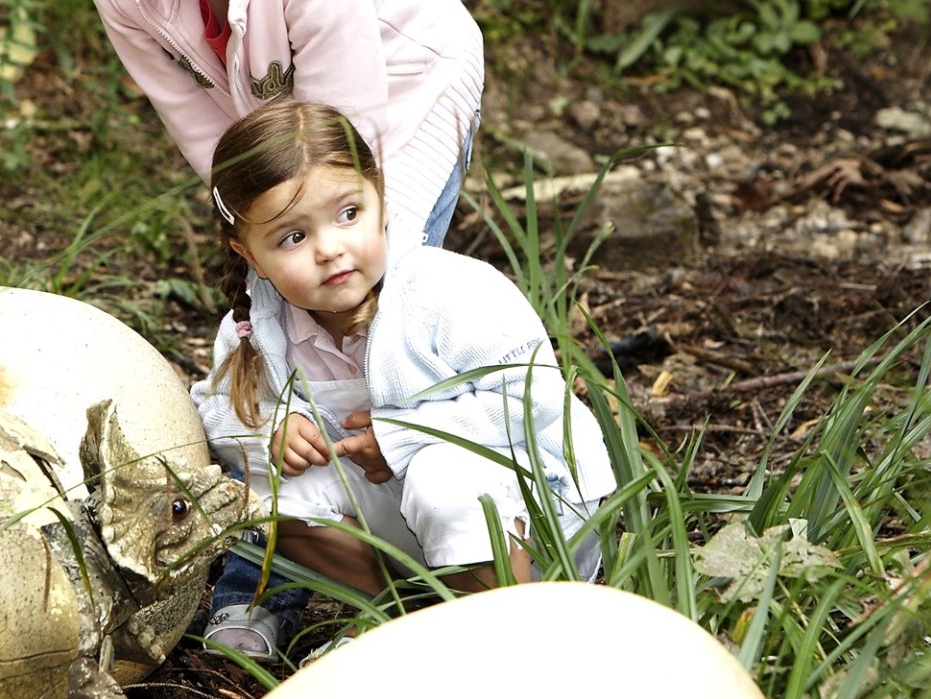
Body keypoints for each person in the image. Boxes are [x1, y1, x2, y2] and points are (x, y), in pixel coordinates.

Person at [95, 1, 486, 658]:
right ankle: (263, 583)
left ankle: (415, 595)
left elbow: (346, 147)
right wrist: (255, 228)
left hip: (402, 85)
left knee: (376, 314)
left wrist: (307, 237)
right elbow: (201, 130)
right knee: (270, 360)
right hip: (278, 127)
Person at [190, 100, 617, 658]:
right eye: (292, 238)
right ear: (249, 254)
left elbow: (534, 400)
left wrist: (399, 436)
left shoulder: (446, 294)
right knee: (265, 495)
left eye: (348, 214)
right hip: (403, 538)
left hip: (530, 524)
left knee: (445, 479)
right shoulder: (255, 328)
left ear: (380, 198)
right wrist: (272, 428)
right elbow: (216, 408)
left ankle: (505, 635)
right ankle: (397, 619)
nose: (330, 249)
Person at [92, 0, 484, 245]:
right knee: (285, 267)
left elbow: (343, 129)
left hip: (409, 71)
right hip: (279, 109)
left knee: (377, 258)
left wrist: (307, 229)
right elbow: (198, 127)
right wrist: (253, 220)